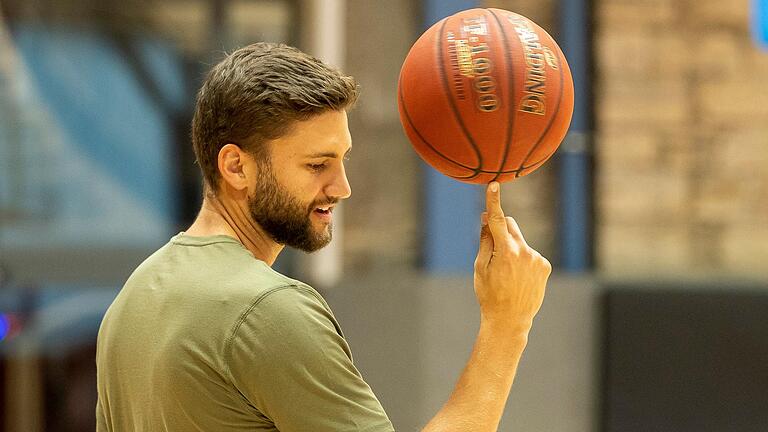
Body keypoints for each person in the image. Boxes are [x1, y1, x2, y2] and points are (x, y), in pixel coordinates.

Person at [95, 42, 551, 432]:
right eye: (317, 165)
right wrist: (506, 325)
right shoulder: (268, 310)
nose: (342, 187)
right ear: (236, 167)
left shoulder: (133, 299)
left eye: (342, 159)